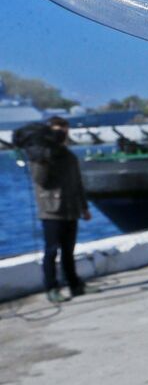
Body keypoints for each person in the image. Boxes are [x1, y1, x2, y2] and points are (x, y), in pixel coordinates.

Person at [23, 116, 90, 302]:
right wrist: (46, 158)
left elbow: (77, 183)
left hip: (70, 208)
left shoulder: (69, 156)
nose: (62, 132)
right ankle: (51, 287)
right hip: (51, 209)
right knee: (51, 250)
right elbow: (41, 180)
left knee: (69, 250)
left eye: (64, 128)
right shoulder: (40, 155)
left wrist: (84, 207)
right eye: (58, 128)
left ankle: (74, 284)